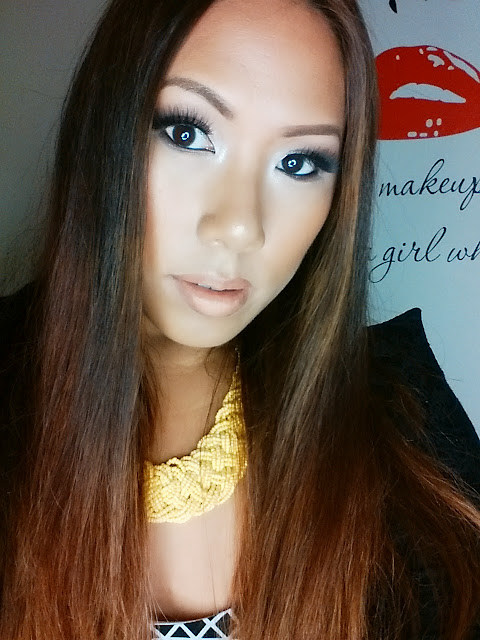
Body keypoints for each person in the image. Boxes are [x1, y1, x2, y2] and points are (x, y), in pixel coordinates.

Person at [1, 0, 479, 638]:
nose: (238, 226)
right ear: (104, 127)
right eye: (187, 133)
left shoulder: (408, 420)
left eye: (299, 163)